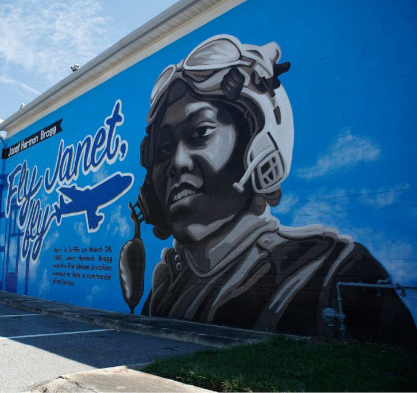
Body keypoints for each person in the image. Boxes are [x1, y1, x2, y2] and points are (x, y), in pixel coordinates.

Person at [119, 34, 416, 345]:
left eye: (200, 132)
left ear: (258, 143)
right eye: (164, 150)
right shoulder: (168, 286)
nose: (177, 162)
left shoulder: (331, 272)